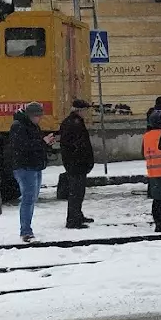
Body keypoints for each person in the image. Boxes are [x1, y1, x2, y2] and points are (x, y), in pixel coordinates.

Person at [6, 102, 53, 243]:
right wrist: (42, 142)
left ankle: (27, 229)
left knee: (31, 199)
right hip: (25, 167)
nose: (40, 118)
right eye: (38, 116)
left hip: (33, 166)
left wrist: (44, 143)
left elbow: (31, 144)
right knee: (28, 200)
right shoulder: (19, 126)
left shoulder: (29, 125)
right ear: (32, 115)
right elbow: (23, 146)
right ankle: (26, 232)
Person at [59, 98, 95, 229]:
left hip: (76, 163)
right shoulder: (73, 123)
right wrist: (83, 160)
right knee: (76, 192)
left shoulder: (74, 121)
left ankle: (77, 215)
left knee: (78, 191)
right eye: (85, 110)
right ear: (79, 110)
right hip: (76, 164)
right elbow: (77, 145)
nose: (86, 112)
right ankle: (73, 220)